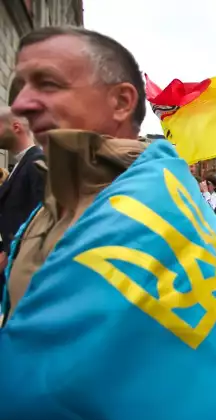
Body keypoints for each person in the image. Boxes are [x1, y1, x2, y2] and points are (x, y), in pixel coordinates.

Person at [4, 26, 148, 320]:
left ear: (120, 102)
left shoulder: (149, 204)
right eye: (21, 90)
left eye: (48, 84)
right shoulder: (58, 191)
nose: (22, 105)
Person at [0, 108, 46, 297]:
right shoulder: (23, 163)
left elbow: (42, 219)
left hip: (25, 269)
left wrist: (8, 254)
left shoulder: (37, 162)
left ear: (16, 127)